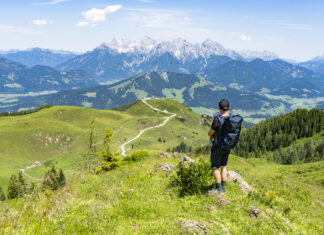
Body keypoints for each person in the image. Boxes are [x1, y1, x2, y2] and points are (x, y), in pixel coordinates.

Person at [208, 99, 231, 195]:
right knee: (223, 166)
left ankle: (218, 189)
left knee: (215, 167)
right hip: (227, 145)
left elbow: (210, 132)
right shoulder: (231, 119)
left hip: (218, 146)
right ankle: (224, 188)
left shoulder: (217, 119)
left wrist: (210, 135)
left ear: (219, 108)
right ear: (228, 108)